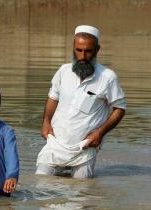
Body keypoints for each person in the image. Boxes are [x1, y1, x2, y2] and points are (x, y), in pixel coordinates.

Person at [36, 25, 126, 179]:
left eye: (88, 51)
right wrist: (46, 122)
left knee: (82, 191)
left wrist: (100, 133)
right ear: (73, 47)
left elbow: (119, 108)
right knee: (42, 183)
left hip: (85, 146)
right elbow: (53, 98)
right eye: (78, 50)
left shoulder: (108, 77)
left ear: (97, 50)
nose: (83, 56)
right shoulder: (63, 71)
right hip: (56, 142)